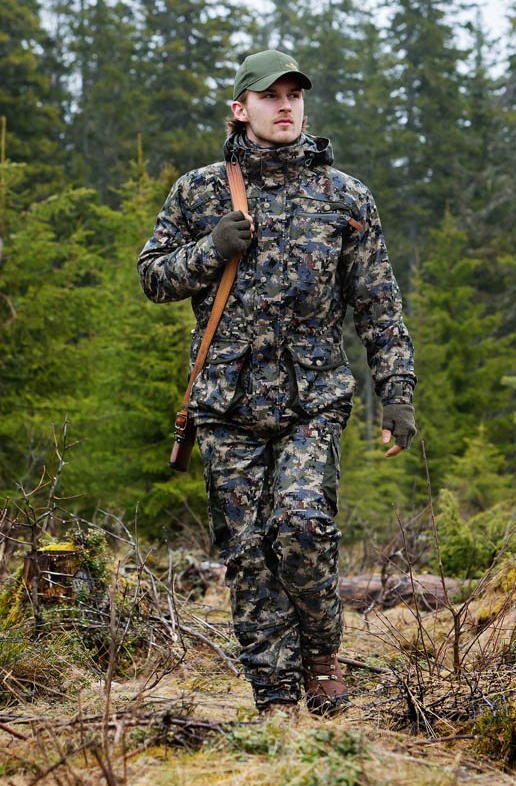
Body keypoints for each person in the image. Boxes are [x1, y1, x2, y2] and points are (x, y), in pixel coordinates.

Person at [138, 50, 417, 717]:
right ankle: (274, 698)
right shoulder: (199, 192)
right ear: (241, 109)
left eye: (294, 95)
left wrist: (397, 392)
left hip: (311, 397)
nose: (285, 106)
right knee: (247, 553)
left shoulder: (344, 197)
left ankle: (320, 657)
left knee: (301, 525)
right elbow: (153, 278)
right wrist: (211, 249)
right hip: (225, 400)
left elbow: (377, 304)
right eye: (270, 96)